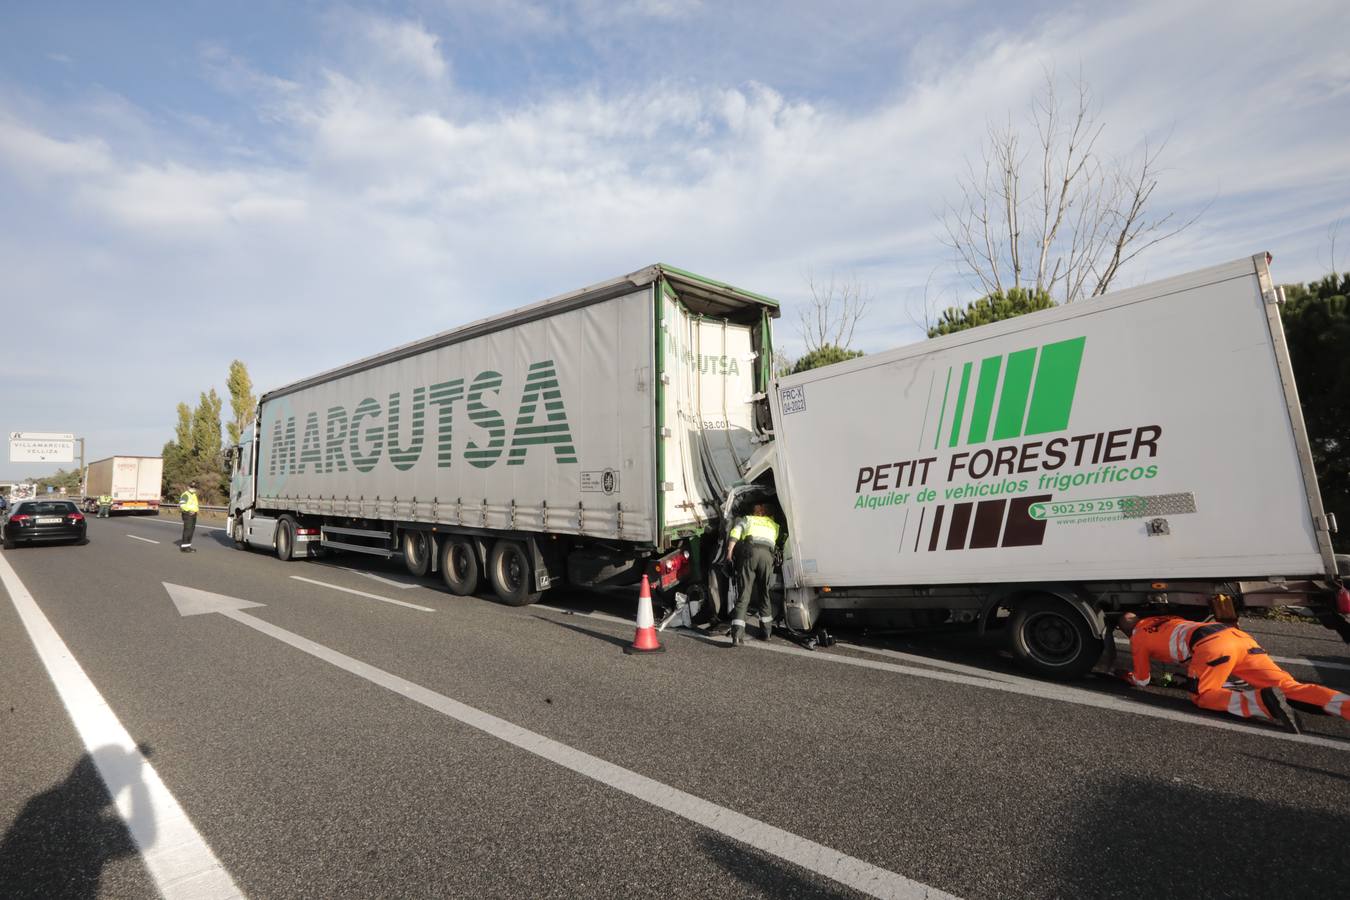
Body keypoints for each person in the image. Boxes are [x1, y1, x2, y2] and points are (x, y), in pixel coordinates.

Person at [1115, 612, 1350, 733]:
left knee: (1203, 696)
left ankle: (1263, 702)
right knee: (1289, 686)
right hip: (1240, 639)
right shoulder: (1163, 619)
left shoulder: (1138, 637)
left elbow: (1143, 680)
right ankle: (1346, 706)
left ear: (1126, 632)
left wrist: (1127, 676)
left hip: (1213, 647)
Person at [723, 501, 781, 646]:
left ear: (756, 512)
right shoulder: (774, 525)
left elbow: (734, 533)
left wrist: (729, 554)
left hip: (749, 554)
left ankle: (737, 636)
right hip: (767, 556)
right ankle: (766, 633)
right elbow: (776, 542)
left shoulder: (747, 519)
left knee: (744, 595)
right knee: (764, 594)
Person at [178, 482, 200, 553]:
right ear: (188, 487)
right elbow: (182, 505)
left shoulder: (193, 495)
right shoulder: (185, 495)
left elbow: (195, 505)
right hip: (188, 514)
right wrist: (190, 510)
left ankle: (188, 546)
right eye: (192, 487)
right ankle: (184, 548)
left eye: (195, 487)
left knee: (191, 531)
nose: (193, 488)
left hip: (193, 514)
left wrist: (195, 511)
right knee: (187, 531)